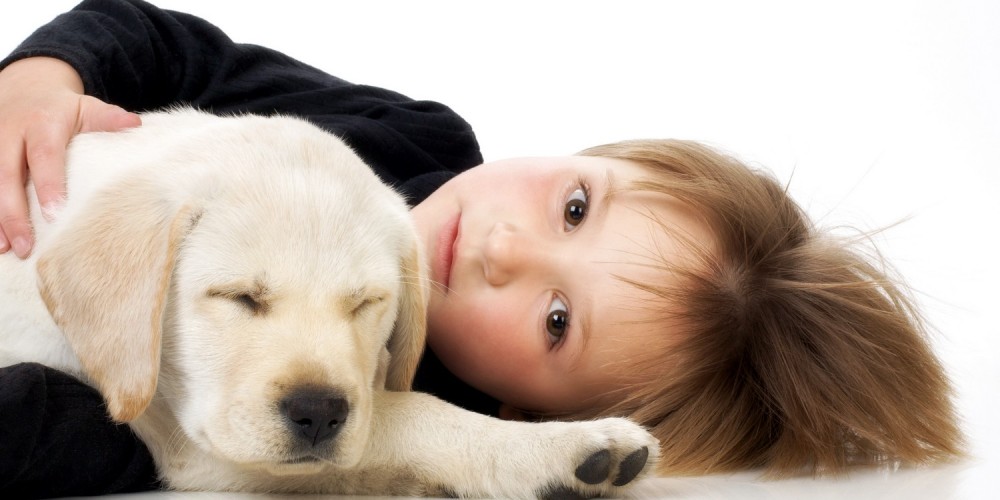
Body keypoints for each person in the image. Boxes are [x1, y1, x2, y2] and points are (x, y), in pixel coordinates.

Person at [0, 0, 963, 496]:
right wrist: (41, 75)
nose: (506, 248)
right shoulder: (416, 137)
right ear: (593, 153)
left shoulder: (416, 405)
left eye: (555, 321)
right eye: (576, 208)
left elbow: (100, 442)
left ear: (522, 404)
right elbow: (174, 49)